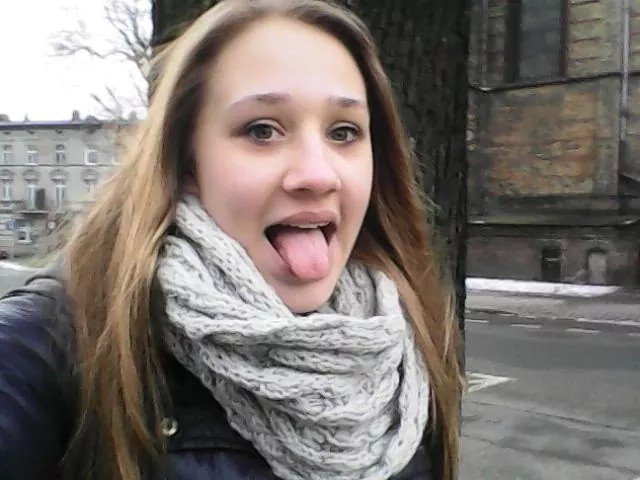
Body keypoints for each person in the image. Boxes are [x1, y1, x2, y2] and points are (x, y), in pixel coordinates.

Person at [0, 0, 462, 479]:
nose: (318, 174)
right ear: (186, 161)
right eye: (262, 130)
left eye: (344, 133)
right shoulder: (58, 344)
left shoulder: (404, 337)